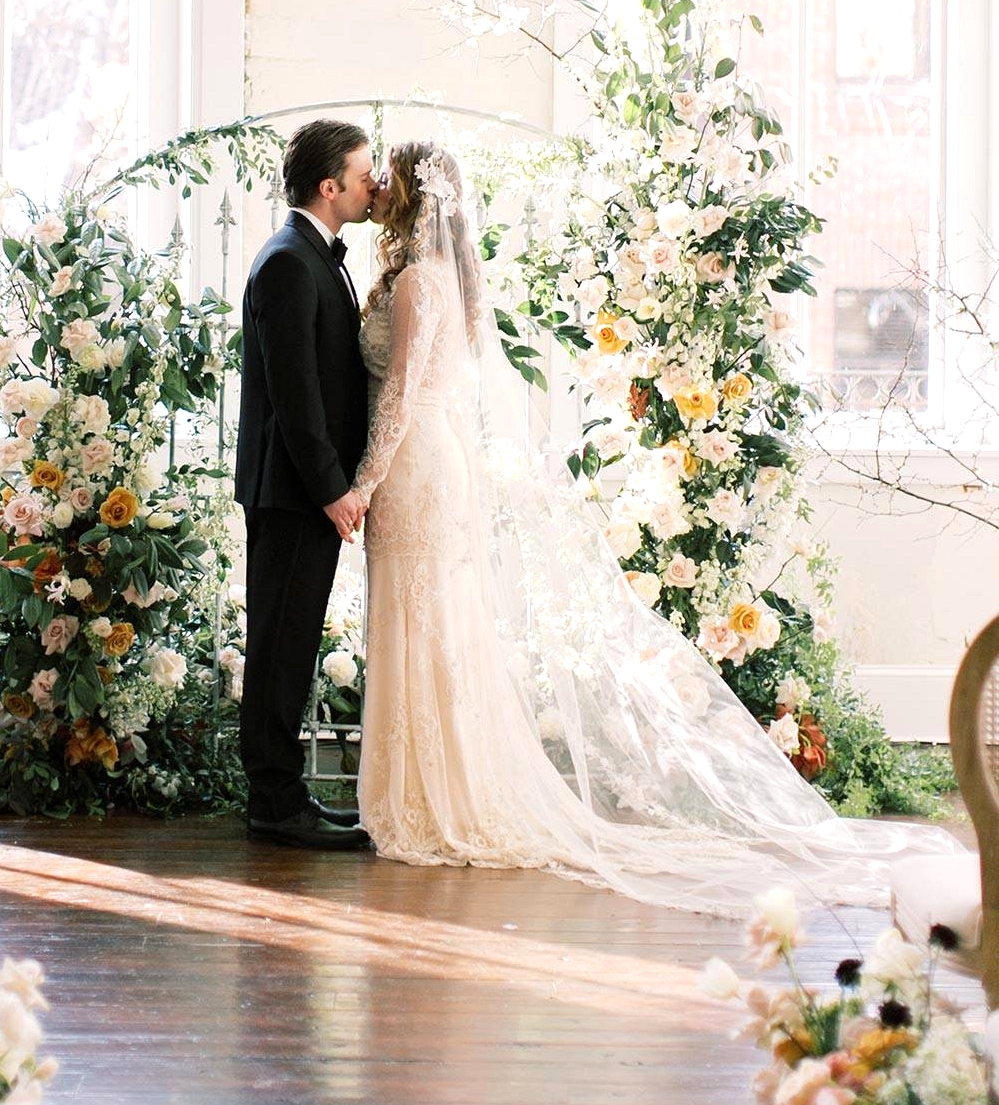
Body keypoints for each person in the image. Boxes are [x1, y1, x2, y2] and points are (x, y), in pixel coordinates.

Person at [350, 139, 965, 914]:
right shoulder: (449, 280)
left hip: (412, 465)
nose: (374, 187)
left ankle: (428, 798)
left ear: (409, 195)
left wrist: (362, 483)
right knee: (435, 620)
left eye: (385, 179)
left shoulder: (414, 284)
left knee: (419, 617)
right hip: (438, 463)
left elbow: (402, 394)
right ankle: (440, 788)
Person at [235, 119, 377, 850]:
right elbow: (296, 396)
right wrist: (333, 488)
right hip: (292, 493)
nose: (371, 183)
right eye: (362, 172)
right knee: (280, 645)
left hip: (303, 492)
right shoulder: (289, 261)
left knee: (289, 640)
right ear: (330, 186)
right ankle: (273, 800)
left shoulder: (313, 255)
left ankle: (281, 793)